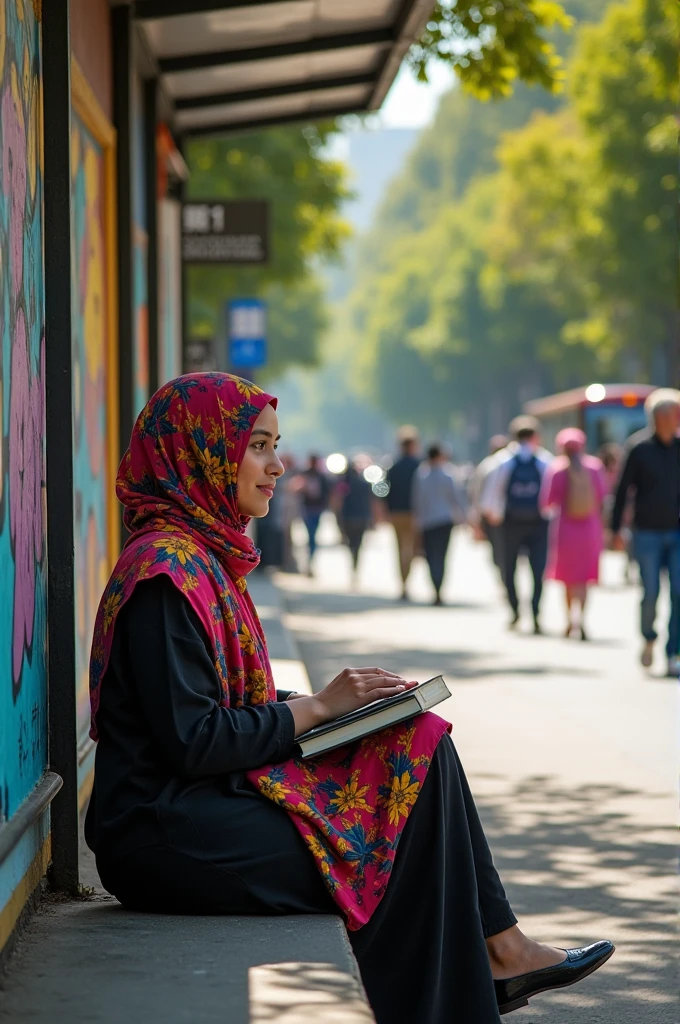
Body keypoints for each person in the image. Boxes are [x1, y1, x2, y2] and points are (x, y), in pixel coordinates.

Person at [85, 374, 613, 1024]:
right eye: (256, 446)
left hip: (209, 801)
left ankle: (502, 949)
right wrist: (317, 709)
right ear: (201, 451)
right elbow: (193, 741)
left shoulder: (201, 557)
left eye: (276, 446)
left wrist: (334, 705)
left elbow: (214, 698)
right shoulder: (166, 575)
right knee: (391, 847)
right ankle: (454, 995)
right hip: (162, 832)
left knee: (420, 742)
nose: (277, 465)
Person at [611, 388, 680, 676]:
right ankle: (649, 638)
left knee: (678, 593)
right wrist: (615, 529)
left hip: (676, 534)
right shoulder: (638, 448)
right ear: (660, 416)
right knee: (650, 592)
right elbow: (622, 491)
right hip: (646, 534)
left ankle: (673, 651)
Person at [482, 417, 552, 633]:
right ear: (535, 436)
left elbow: (491, 498)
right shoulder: (545, 460)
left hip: (510, 523)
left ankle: (514, 609)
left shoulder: (502, 461)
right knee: (538, 570)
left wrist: (493, 517)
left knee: (508, 568)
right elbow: (551, 496)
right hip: (538, 523)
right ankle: (536, 611)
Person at [540, 429, 608, 640]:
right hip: (590, 528)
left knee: (568, 579)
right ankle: (584, 620)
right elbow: (603, 497)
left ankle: (570, 620)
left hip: (565, 530)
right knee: (585, 578)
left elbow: (546, 502)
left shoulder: (557, 469)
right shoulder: (594, 467)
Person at [412, 444, 467, 606]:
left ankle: (435, 586)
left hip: (428, 521)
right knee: (441, 555)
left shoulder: (421, 475)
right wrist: (464, 517)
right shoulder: (448, 473)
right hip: (444, 521)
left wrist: (417, 520)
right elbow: (456, 498)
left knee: (430, 555)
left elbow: (417, 500)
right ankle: (439, 587)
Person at [385, 427, 421, 600]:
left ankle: (403, 582)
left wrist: (384, 511)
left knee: (400, 549)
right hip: (414, 513)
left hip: (396, 513)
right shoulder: (419, 466)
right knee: (412, 549)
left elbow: (384, 490)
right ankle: (407, 580)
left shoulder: (393, 466)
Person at [469, 435, 509, 579]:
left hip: (491, 515)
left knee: (497, 548)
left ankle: (504, 577)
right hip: (507, 514)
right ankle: (506, 577)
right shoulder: (509, 463)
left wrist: (476, 518)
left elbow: (476, 493)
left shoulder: (486, 465)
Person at [335, 455, 374, 581]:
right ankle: (355, 565)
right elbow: (370, 501)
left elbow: (338, 501)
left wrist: (338, 520)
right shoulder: (364, 483)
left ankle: (353, 564)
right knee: (358, 543)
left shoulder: (344, 484)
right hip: (361, 518)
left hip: (348, 518)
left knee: (351, 544)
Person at [300, 453, 331, 575]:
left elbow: (326, 492)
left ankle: (310, 560)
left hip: (316, 509)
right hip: (307, 508)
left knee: (313, 535)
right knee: (311, 535)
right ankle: (309, 560)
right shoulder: (305, 474)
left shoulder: (321, 476)